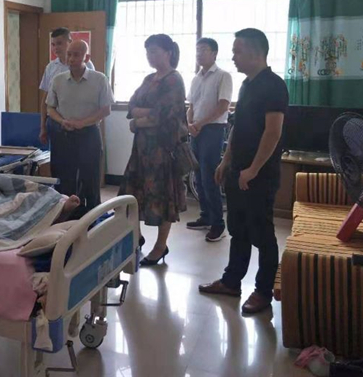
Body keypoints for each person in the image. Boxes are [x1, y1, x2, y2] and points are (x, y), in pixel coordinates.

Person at [199, 28, 288, 314]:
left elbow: (273, 132)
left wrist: (253, 169)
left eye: (237, 51)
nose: (233, 57)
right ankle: (231, 282)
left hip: (259, 175)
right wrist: (226, 161)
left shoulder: (274, 85)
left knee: (263, 234)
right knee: (238, 230)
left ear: (254, 52)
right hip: (238, 171)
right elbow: (237, 127)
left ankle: (262, 292)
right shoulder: (247, 85)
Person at [118, 34, 188, 266]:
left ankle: (160, 246)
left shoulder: (174, 80)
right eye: (148, 52)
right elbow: (131, 106)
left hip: (162, 150)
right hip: (141, 149)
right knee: (133, 193)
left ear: (168, 53)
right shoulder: (149, 79)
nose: (150, 56)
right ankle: (136, 237)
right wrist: (145, 114)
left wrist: (138, 121)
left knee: (161, 196)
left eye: (155, 51)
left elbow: (166, 116)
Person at [46, 39, 113, 218]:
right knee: (64, 178)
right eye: (69, 54)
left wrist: (84, 123)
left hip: (89, 134)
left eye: (76, 55)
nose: (71, 59)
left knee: (90, 178)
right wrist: (61, 121)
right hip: (64, 133)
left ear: (86, 57)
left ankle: (92, 217)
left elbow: (105, 109)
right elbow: (50, 108)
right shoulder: (58, 80)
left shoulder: (99, 79)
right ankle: (66, 216)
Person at [186, 37, 233, 242]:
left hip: (213, 129)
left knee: (209, 176)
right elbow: (191, 106)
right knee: (197, 174)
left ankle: (218, 224)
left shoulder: (223, 76)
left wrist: (200, 123)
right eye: (197, 50)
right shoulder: (196, 78)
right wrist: (190, 124)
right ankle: (205, 216)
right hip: (196, 130)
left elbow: (223, 106)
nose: (199, 53)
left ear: (214, 53)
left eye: (203, 50)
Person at [39, 28, 95, 146]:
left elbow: (95, 97)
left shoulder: (87, 64)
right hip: (57, 122)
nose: (56, 48)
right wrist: (42, 127)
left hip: (82, 123)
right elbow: (45, 100)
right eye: (53, 44)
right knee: (59, 156)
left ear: (69, 42)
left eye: (59, 43)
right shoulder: (51, 67)